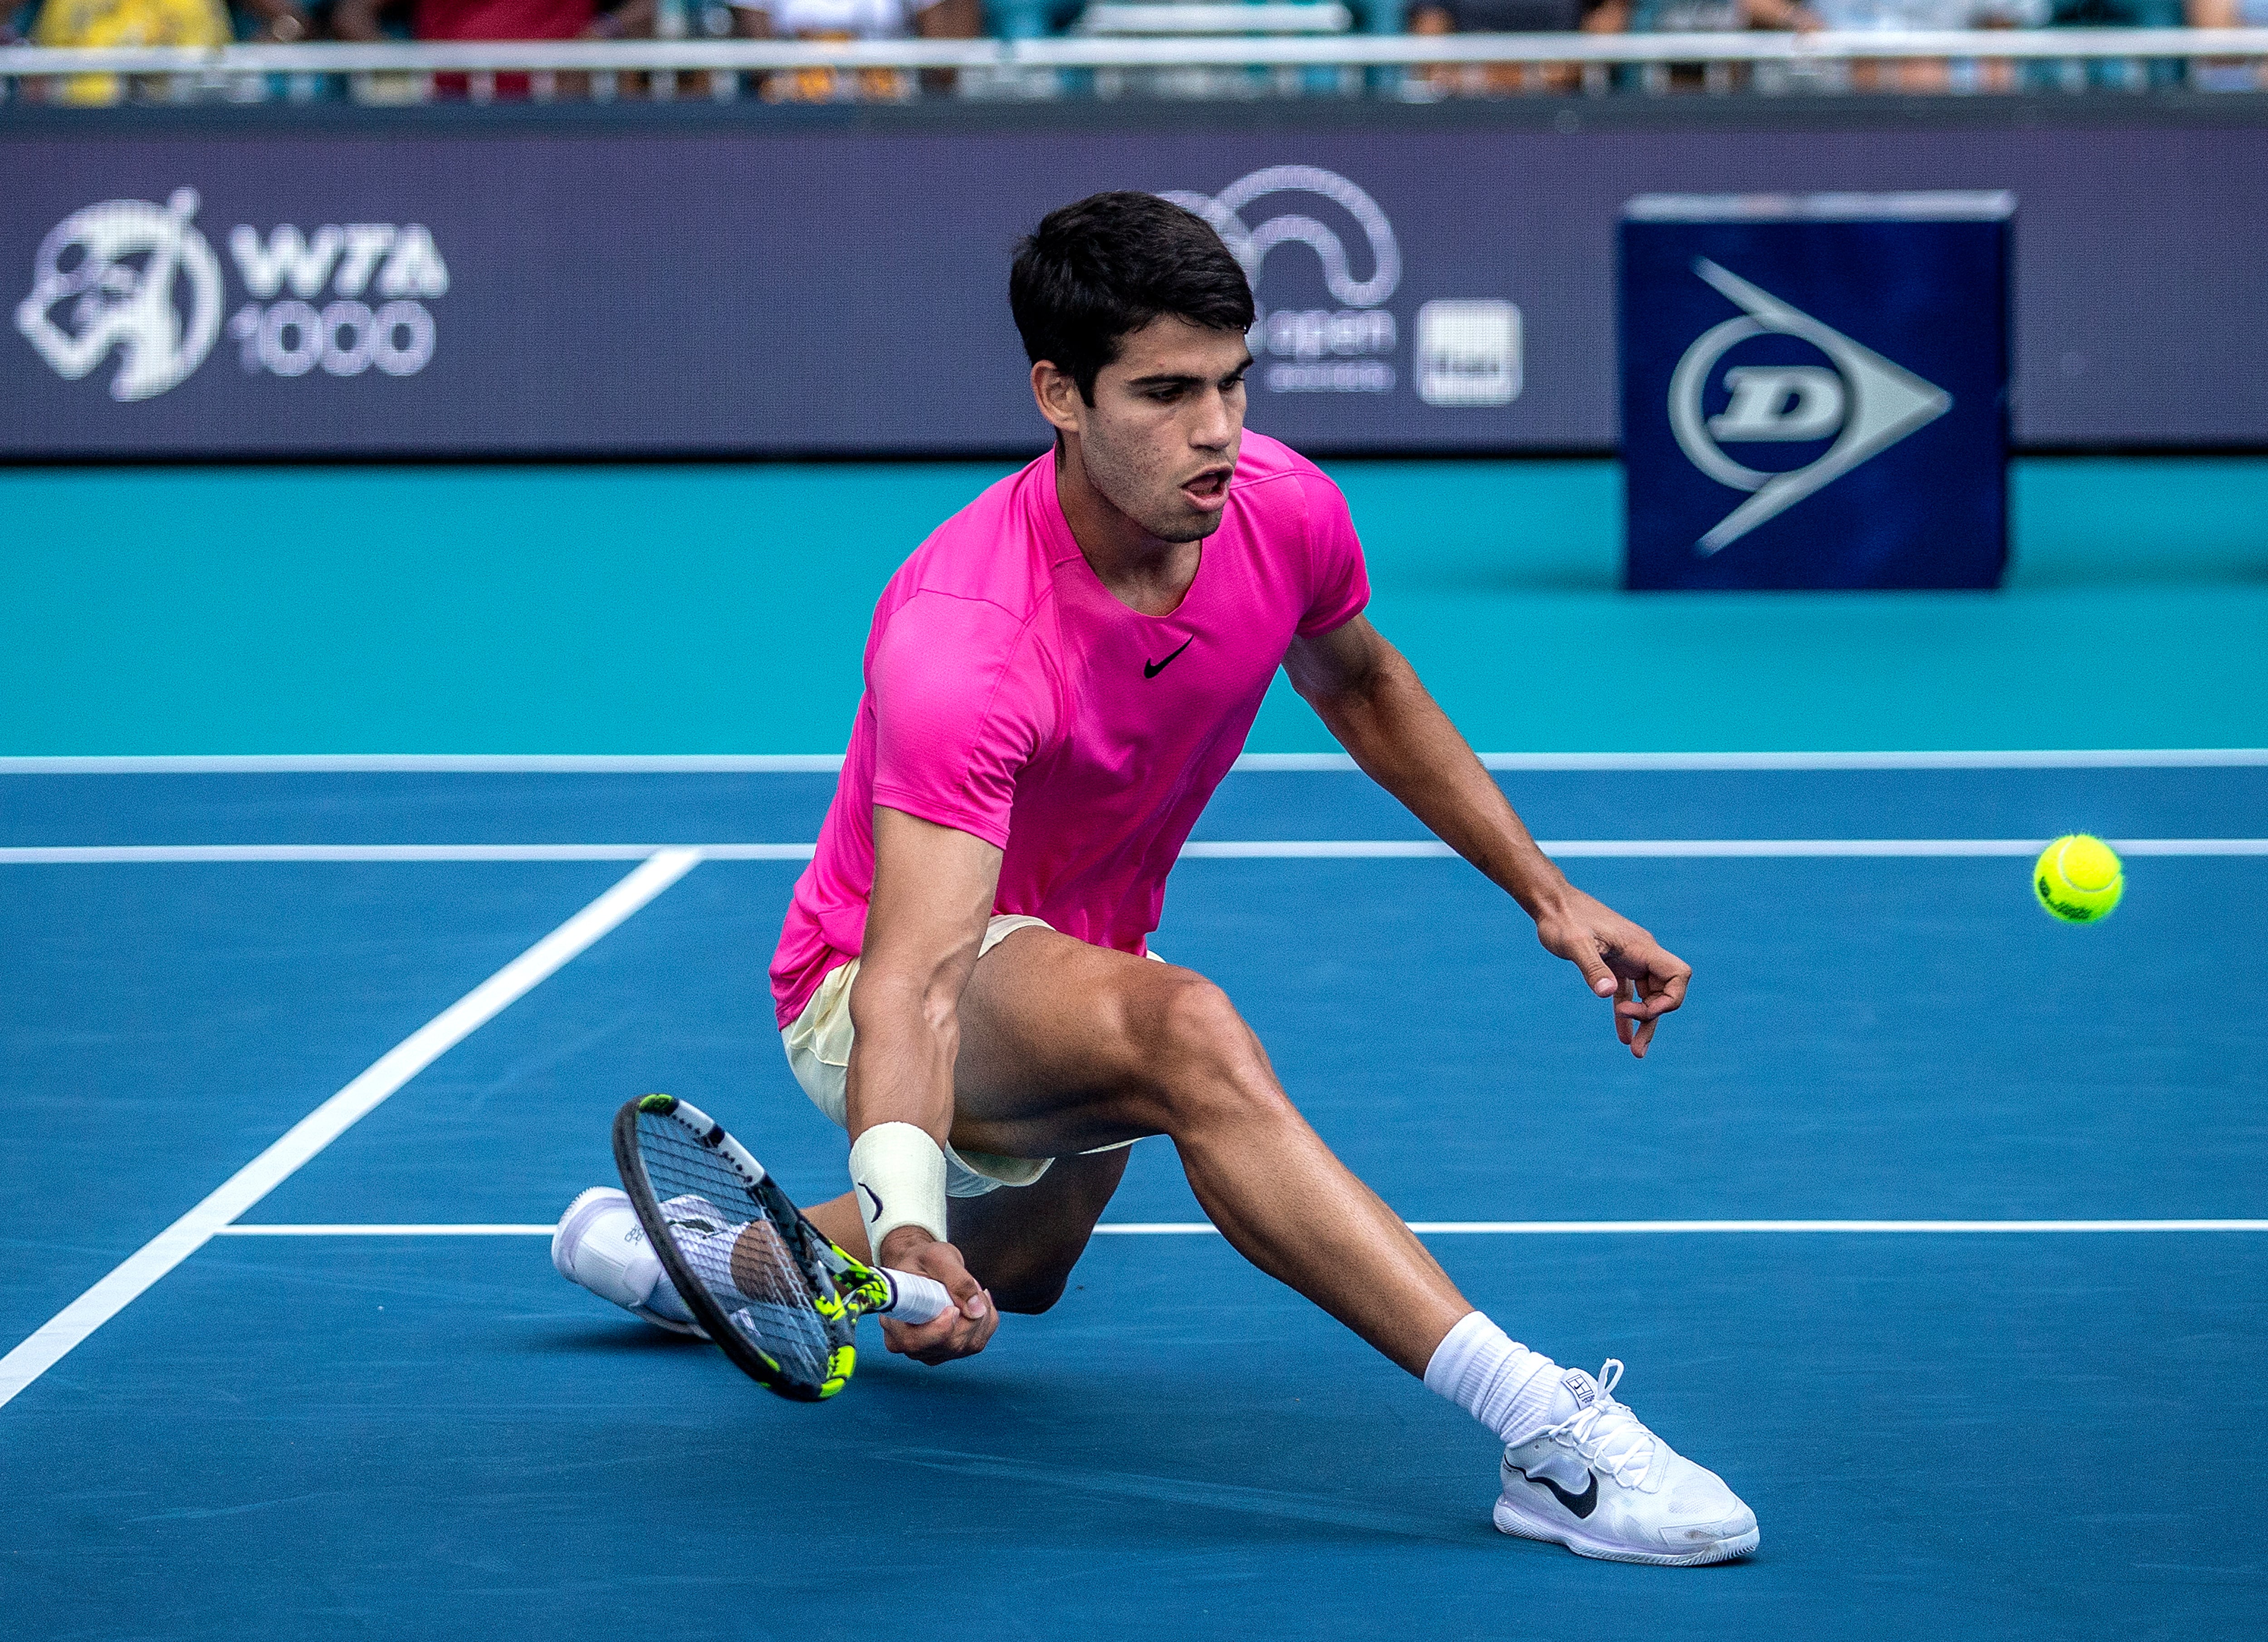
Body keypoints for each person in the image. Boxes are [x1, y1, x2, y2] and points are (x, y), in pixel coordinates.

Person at [556, 191, 1757, 1566]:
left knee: (1030, 1265)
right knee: (1184, 1033)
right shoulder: (966, 636)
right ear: (1058, 394)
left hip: (1074, 952)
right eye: (1167, 392)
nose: (1218, 432)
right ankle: (1545, 1434)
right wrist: (902, 1217)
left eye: (1236, 382)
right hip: (873, 983)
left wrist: (1545, 889)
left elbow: (1357, 677)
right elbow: (920, 980)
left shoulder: (1279, 509)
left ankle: (719, 1261)